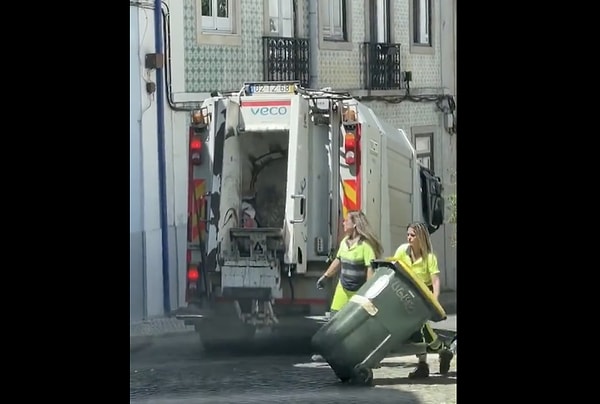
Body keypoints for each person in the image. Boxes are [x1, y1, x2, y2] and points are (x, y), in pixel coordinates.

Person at [311, 210, 384, 362]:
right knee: (333, 321)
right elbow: (338, 261)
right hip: (343, 289)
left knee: (359, 326)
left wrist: (368, 293)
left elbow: (370, 269)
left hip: (358, 292)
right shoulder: (344, 243)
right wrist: (326, 276)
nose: (343, 223)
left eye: (346, 221)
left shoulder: (366, 246)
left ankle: (364, 356)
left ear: (355, 224)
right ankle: (327, 351)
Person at [392, 222, 454, 378]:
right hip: (405, 295)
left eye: (412, 235)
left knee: (419, 328)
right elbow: (393, 268)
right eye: (408, 234)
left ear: (421, 237)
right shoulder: (402, 251)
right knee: (420, 330)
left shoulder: (429, 258)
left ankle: (422, 365)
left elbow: (435, 281)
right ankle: (442, 351)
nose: (409, 238)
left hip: (423, 297)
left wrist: (434, 301)